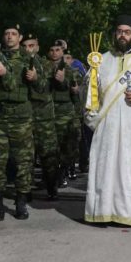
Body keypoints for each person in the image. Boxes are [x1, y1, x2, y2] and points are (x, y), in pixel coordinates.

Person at [84, 13, 131, 226]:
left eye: (127, 32)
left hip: (130, 123)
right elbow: (90, 94)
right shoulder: (100, 60)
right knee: (105, 165)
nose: (122, 35)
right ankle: (102, 211)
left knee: (127, 167)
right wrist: (93, 118)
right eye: (119, 31)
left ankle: (126, 212)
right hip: (106, 124)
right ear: (114, 34)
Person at [0, 21, 34, 221]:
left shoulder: (29, 58)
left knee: (23, 161)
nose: (9, 36)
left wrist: (35, 78)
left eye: (13, 33)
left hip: (21, 117)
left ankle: (21, 201)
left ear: (20, 37)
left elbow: (43, 86)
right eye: (6, 33)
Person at [23, 30, 62, 200]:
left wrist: (39, 78)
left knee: (49, 156)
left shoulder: (47, 65)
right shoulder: (18, 63)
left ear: (37, 48)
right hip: (25, 117)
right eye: (25, 46)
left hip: (44, 117)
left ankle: (52, 188)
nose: (28, 49)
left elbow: (52, 87)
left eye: (31, 46)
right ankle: (26, 191)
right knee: (26, 157)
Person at [47, 41, 82, 184]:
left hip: (65, 113)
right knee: (49, 148)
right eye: (52, 50)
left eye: (57, 50)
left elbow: (77, 92)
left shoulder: (71, 71)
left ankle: (63, 172)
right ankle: (50, 177)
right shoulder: (43, 68)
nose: (54, 52)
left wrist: (71, 87)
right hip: (47, 111)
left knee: (66, 146)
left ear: (62, 52)